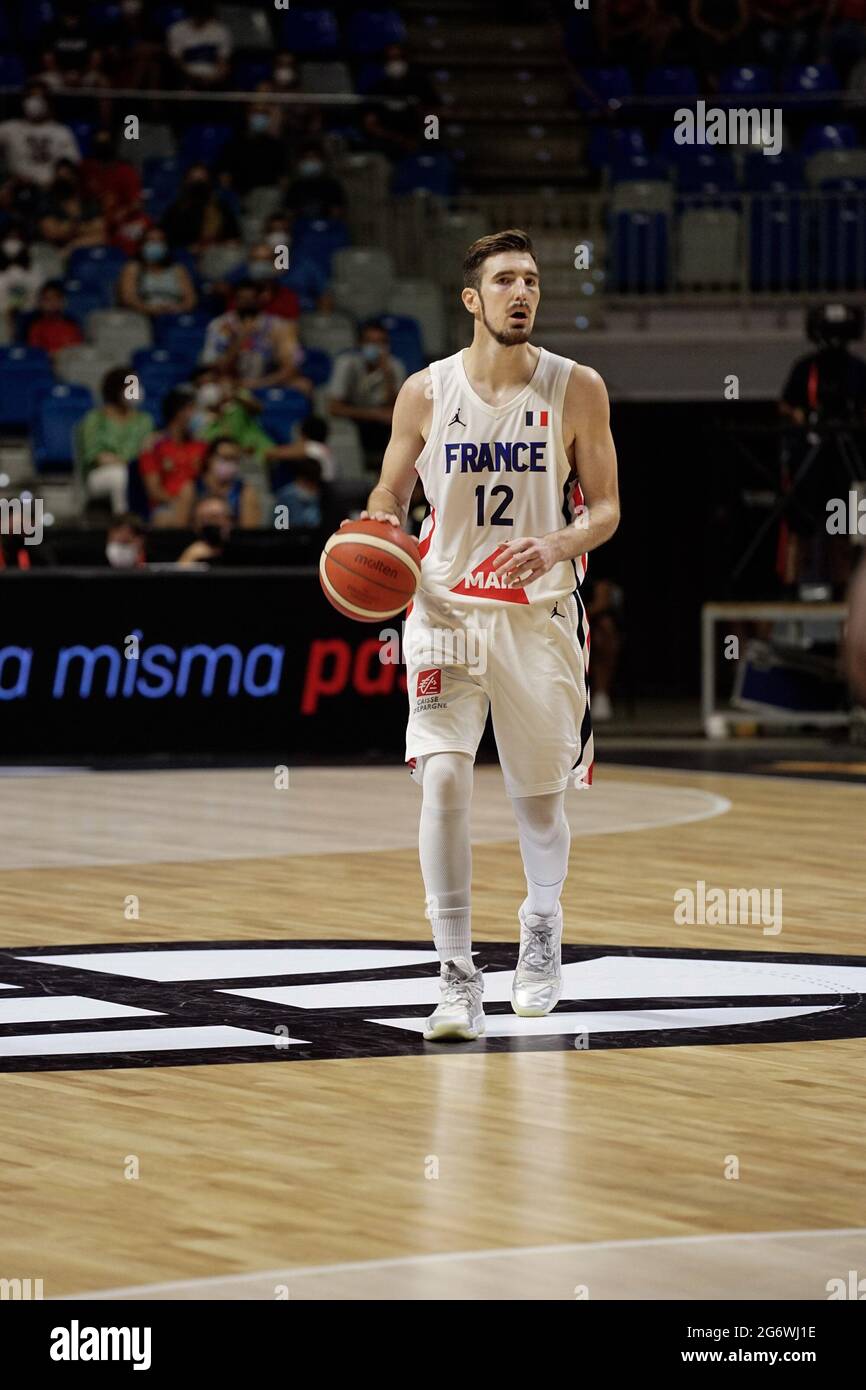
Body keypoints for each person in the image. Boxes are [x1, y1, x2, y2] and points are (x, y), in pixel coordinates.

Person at [343, 229, 619, 1041]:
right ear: (473, 299)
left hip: (539, 613)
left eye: (531, 280)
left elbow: (606, 510)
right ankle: (455, 973)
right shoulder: (425, 393)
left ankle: (541, 926)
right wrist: (380, 521)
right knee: (445, 781)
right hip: (444, 612)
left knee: (538, 805)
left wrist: (560, 541)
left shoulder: (578, 387)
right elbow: (389, 490)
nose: (522, 292)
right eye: (505, 281)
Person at [201, 279, 312, 393]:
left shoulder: (278, 326)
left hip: (267, 380)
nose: (247, 303)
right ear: (234, 300)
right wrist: (241, 337)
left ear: (261, 299)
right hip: (232, 382)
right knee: (210, 389)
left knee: (303, 385)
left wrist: (260, 384)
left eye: (251, 299)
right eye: (242, 299)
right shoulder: (220, 325)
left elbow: (291, 367)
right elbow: (215, 368)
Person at [328, 320, 406, 468]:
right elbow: (334, 408)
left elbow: (397, 407)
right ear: (360, 344)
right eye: (370, 342)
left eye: (380, 342)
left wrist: (387, 374)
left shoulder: (394, 366)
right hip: (353, 419)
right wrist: (374, 414)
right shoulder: (346, 364)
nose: (375, 347)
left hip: (383, 425)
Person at [79, 366, 156, 515]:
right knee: (120, 475)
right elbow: (98, 457)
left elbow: (148, 451)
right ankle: (124, 521)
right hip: (100, 474)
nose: (137, 390)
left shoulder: (145, 420)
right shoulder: (95, 419)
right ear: (117, 390)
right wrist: (129, 464)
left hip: (138, 471)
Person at [138, 386, 206, 526]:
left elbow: (210, 481)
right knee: (164, 518)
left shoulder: (201, 447)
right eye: (192, 409)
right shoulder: (153, 447)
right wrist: (181, 502)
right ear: (178, 412)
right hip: (167, 506)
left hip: (199, 505)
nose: (196, 415)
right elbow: (153, 490)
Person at [0, 84, 80, 192]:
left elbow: (70, 162)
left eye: (40, 97)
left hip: (52, 190)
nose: (34, 102)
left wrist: (60, 176)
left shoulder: (61, 131)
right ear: (23, 100)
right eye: (30, 97)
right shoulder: (8, 128)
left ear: (48, 102)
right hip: (17, 189)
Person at [216, 95, 292, 197]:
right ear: (248, 114)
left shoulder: (277, 147)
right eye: (256, 112)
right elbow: (224, 177)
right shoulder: (233, 144)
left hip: (268, 196)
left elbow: (283, 180)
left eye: (264, 113)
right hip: (239, 195)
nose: (260, 117)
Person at [117, 226, 197, 318]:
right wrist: (149, 309)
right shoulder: (132, 268)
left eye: (160, 241)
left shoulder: (178, 269)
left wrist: (178, 308)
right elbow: (128, 298)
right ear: (142, 245)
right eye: (151, 240)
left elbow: (191, 299)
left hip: (174, 315)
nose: (156, 244)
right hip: (143, 315)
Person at [162, 164, 240, 252]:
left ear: (209, 180)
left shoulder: (221, 206)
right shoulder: (176, 209)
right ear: (186, 181)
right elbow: (166, 238)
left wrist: (217, 246)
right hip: (184, 255)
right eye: (194, 178)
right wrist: (188, 247)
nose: (198, 181)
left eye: (202, 178)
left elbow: (233, 237)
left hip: (216, 253)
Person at [37, 158, 105, 256]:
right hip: (56, 250)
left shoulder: (88, 200)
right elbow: (51, 232)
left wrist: (73, 244)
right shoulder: (48, 201)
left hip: (82, 250)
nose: (64, 180)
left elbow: (100, 232)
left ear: (74, 177)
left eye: (67, 175)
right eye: (60, 176)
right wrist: (81, 228)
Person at [167, 0, 232, 90]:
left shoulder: (220, 30)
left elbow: (223, 61)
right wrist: (192, 77)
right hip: (186, 76)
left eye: (202, 11)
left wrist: (217, 76)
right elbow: (177, 60)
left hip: (213, 77)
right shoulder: (177, 29)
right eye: (196, 11)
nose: (199, 15)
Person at [196, 436, 260, 527]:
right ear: (209, 458)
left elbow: (249, 534)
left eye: (234, 459)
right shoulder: (193, 489)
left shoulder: (245, 492)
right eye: (225, 458)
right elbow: (179, 530)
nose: (230, 463)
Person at [285, 144, 347, 221]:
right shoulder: (295, 186)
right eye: (307, 158)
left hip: (327, 226)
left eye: (313, 158)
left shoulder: (332, 185)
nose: (310, 161)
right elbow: (289, 212)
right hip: (302, 227)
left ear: (321, 161)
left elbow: (336, 211)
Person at [0, 229, 43, 331]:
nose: (13, 243)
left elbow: (40, 293)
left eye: (16, 238)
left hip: (29, 315)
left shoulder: (35, 268)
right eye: (9, 238)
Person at [26, 280, 83, 355]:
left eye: (56, 299)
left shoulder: (72, 326)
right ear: (41, 303)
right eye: (48, 299)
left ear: (62, 302)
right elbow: (35, 355)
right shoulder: (36, 328)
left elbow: (79, 351)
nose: (52, 303)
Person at [177, 496, 233, 566]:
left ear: (229, 521)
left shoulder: (242, 553)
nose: (210, 524)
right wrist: (188, 559)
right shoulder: (190, 552)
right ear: (195, 526)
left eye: (215, 517)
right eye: (203, 519)